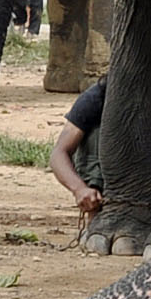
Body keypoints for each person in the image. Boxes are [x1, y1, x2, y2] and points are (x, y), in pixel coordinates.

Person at [49, 79, 106, 233]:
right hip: (106, 185)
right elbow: (59, 153)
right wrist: (80, 189)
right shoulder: (97, 96)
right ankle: (98, 213)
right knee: (97, 136)